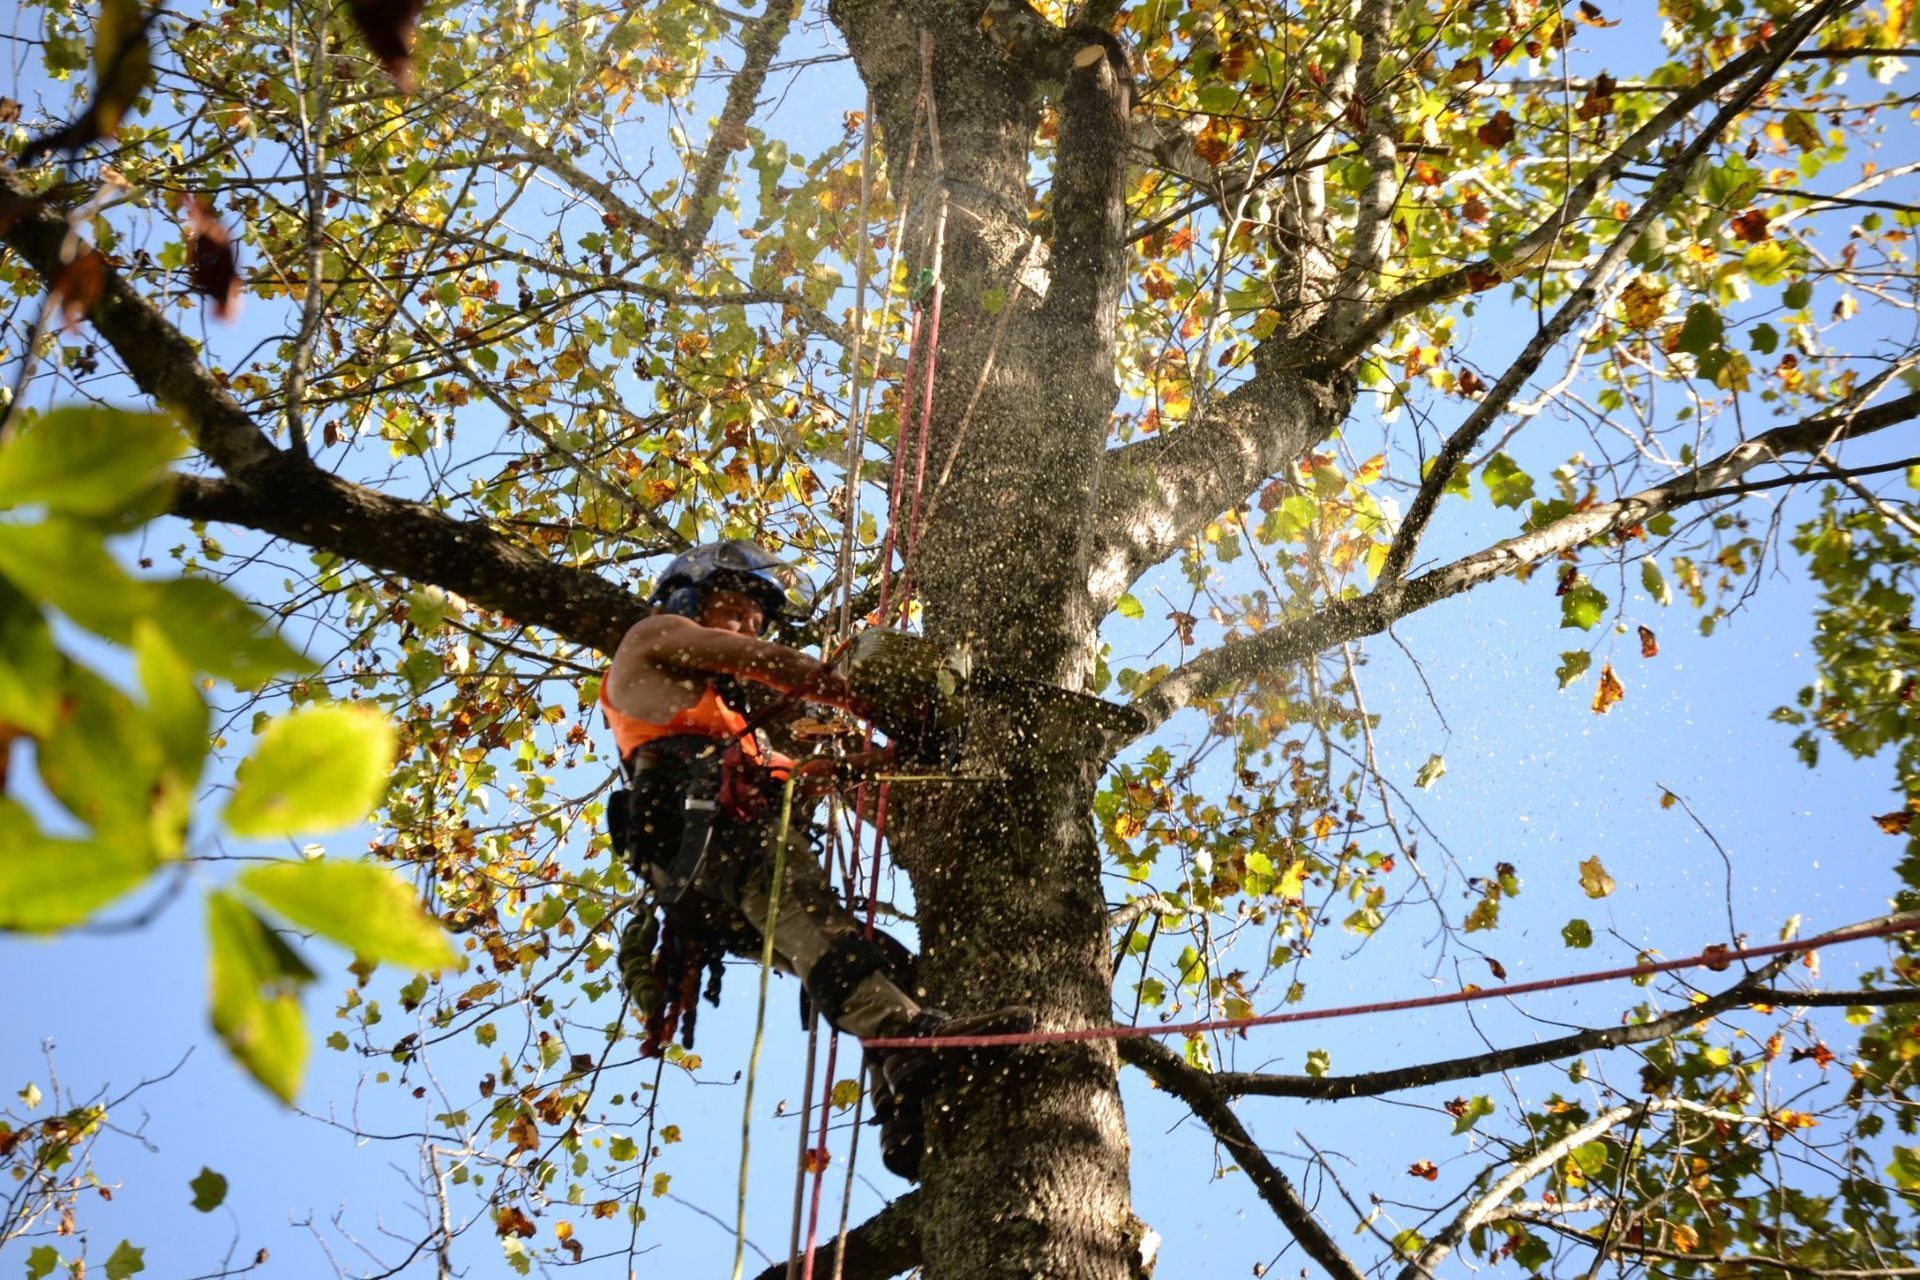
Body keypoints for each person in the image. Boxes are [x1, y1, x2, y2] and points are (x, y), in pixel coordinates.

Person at [599, 540, 1027, 1178]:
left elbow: (791, 771)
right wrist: (853, 693)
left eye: (755, 618)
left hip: (708, 882)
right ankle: (907, 1041)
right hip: (711, 843)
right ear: (692, 596)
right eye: (735, 608)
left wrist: (859, 764)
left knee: (875, 955)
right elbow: (765, 661)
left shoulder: (716, 721)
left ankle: (905, 1107)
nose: (747, 625)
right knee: (812, 918)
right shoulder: (655, 635)